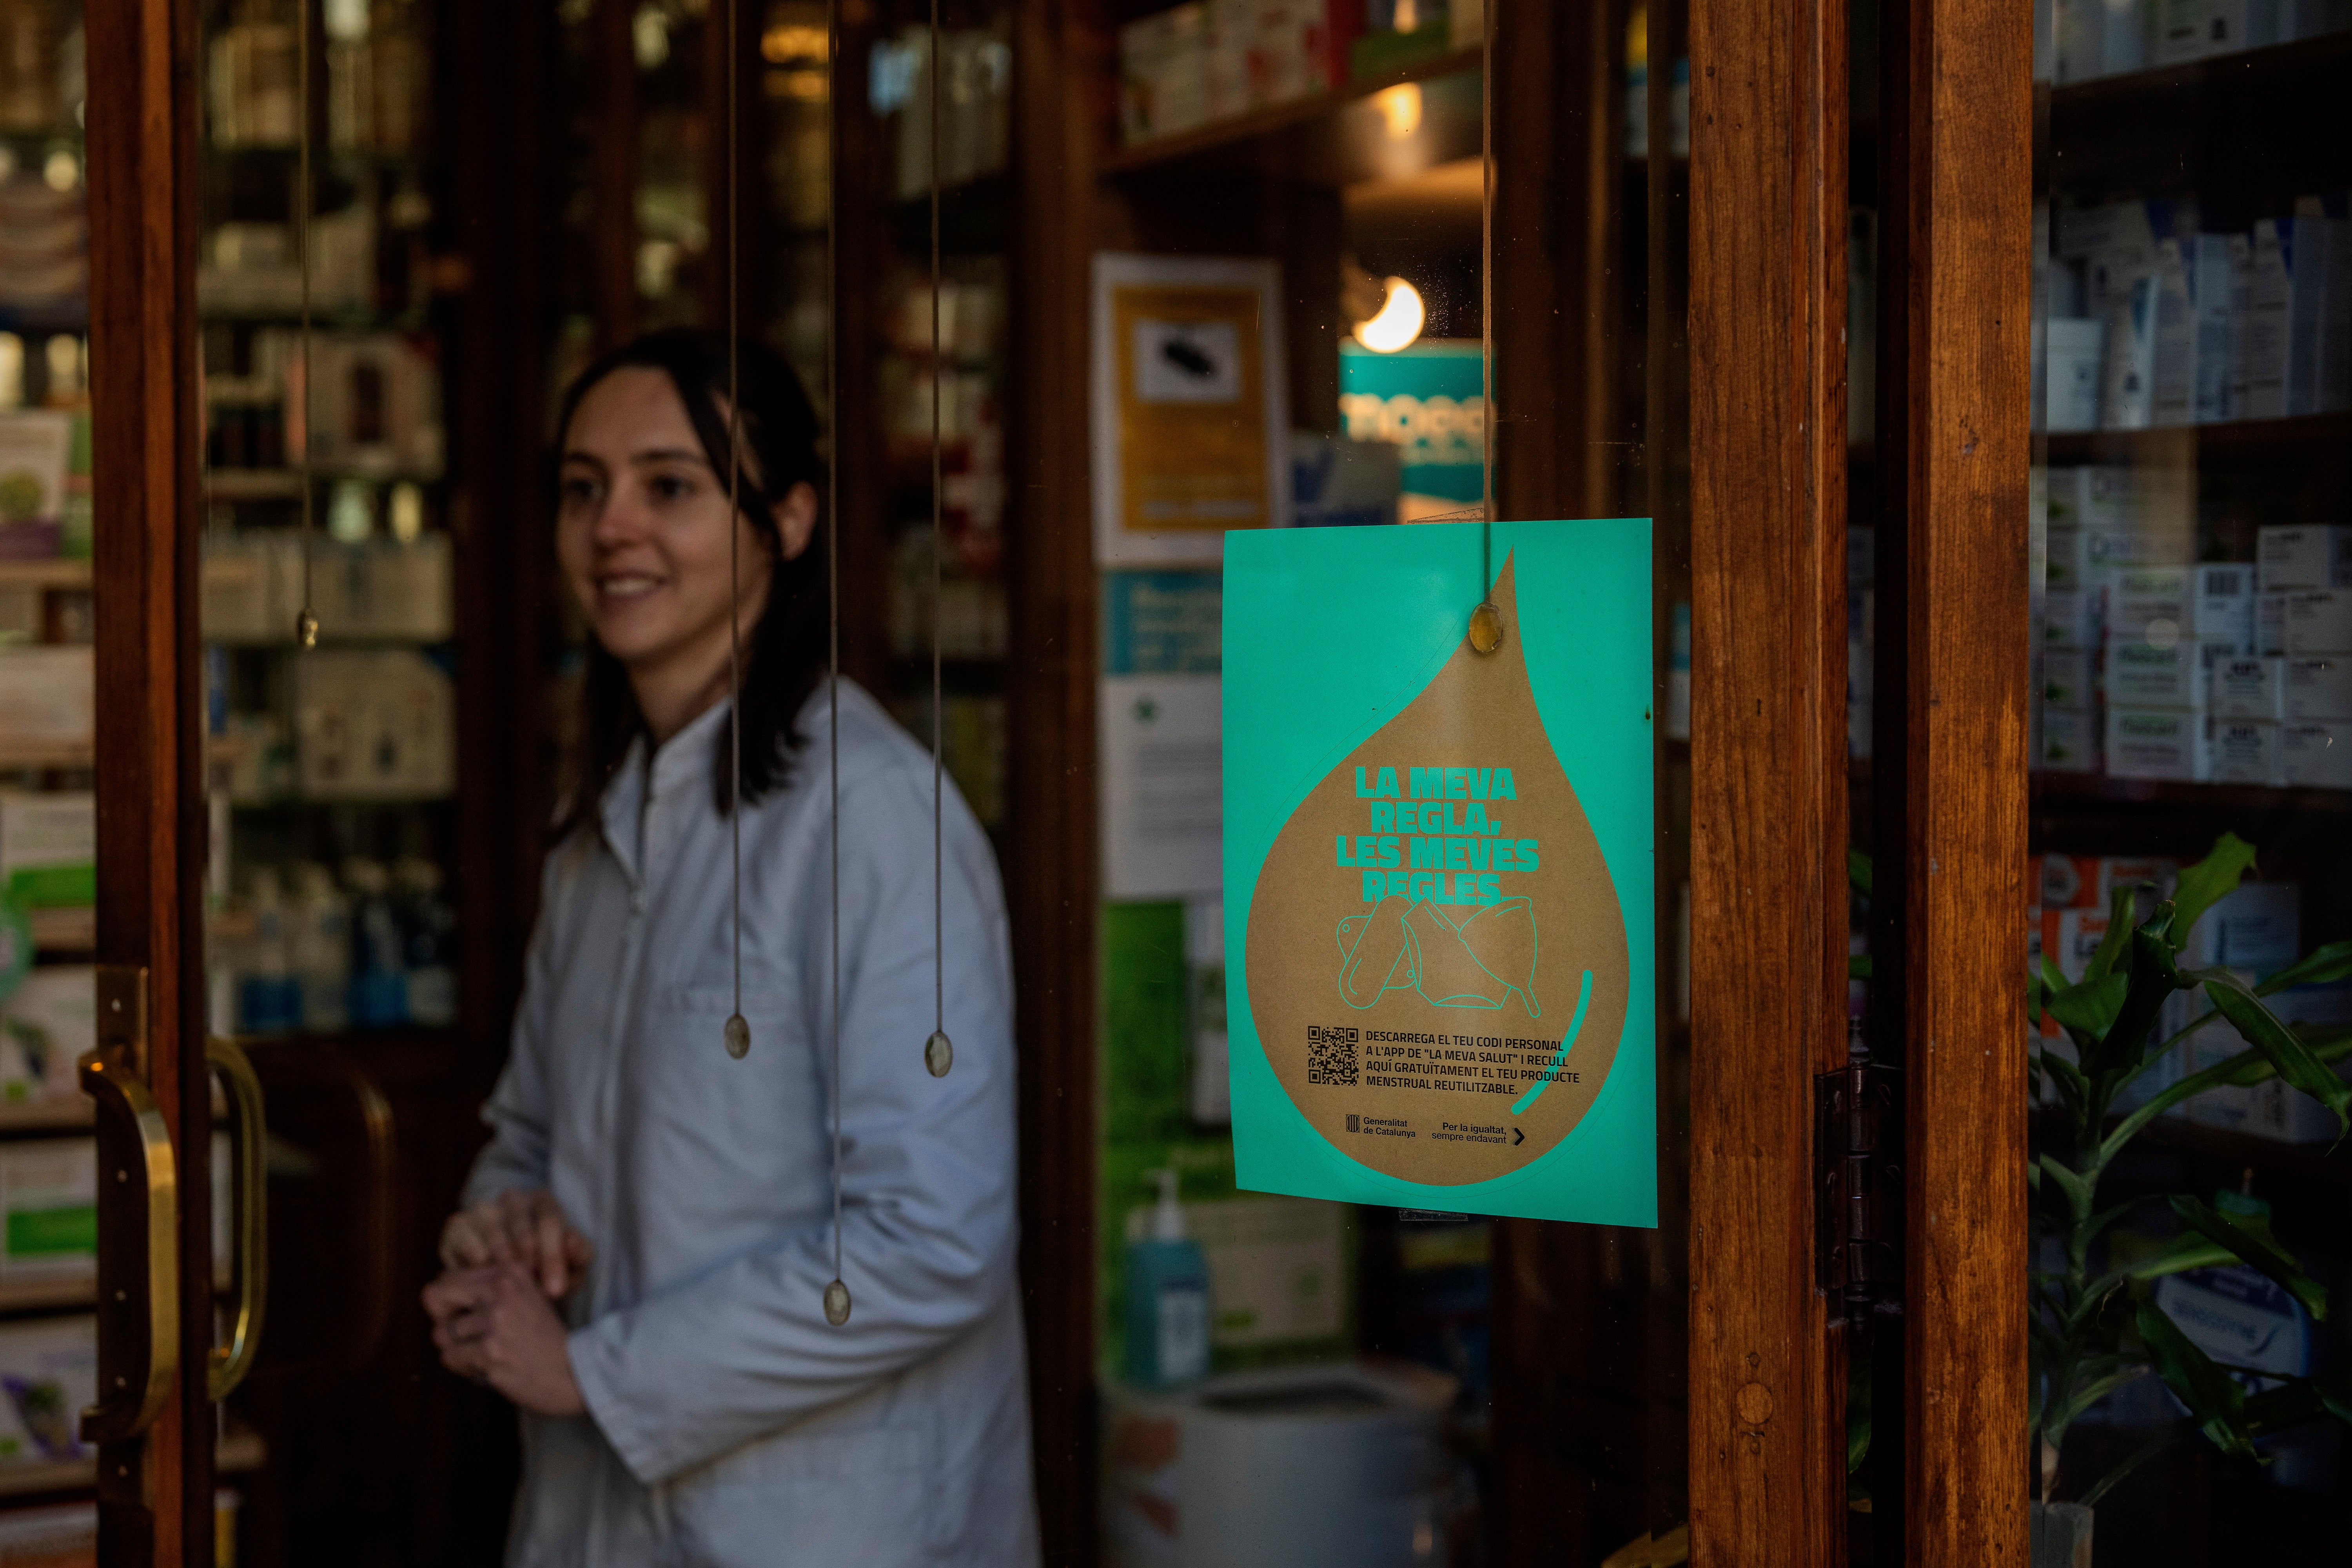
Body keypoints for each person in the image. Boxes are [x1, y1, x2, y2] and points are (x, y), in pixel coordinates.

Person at [420, 329, 1036, 1566]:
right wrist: (503, 1228)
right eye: (584, 489)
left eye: (671, 486)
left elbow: (934, 1242)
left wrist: (599, 1373)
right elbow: (528, 1135)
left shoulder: (875, 826)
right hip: (601, 1516)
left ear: (788, 522)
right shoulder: (598, 836)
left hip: (820, 1526)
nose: (612, 529)